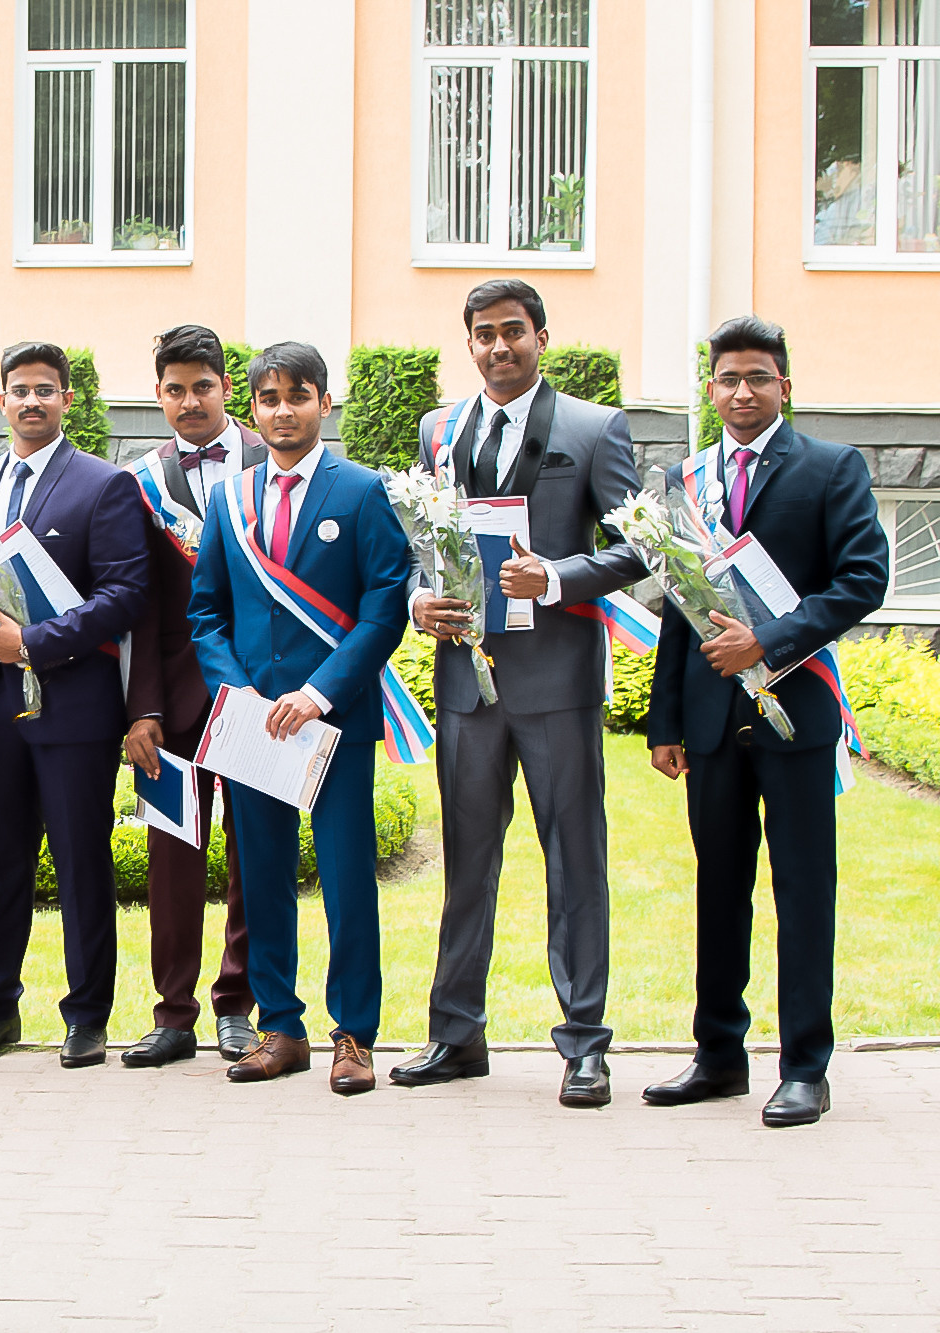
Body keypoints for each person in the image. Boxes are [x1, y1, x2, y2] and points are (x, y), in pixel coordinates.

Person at [390, 279, 646, 1108]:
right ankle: (456, 1033)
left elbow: (638, 547)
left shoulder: (592, 428)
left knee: (575, 861)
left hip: (555, 683)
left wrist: (559, 577)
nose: (498, 348)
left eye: (513, 332)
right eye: (483, 335)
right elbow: (418, 546)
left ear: (541, 336)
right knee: (468, 863)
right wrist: (417, 600)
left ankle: (583, 1046)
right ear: (468, 343)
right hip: (466, 679)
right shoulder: (438, 429)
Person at [644, 316, 888, 1127]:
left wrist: (771, 639)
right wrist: (665, 721)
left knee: (803, 890)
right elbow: (680, 607)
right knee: (721, 888)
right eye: (726, 379)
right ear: (710, 389)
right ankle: (718, 1055)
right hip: (712, 722)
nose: (741, 392)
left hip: (796, 714)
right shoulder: (691, 477)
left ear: (785, 385)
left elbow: (863, 579)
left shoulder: (830, 468)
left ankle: (805, 1066)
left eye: (757, 377)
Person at [185, 341, 411, 1095]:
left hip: (333, 719)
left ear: (324, 402)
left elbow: (385, 608)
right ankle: (281, 1026)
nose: (285, 410)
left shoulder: (361, 491)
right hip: (254, 720)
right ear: (254, 409)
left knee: (348, 877)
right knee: (263, 877)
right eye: (271, 398)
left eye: (299, 396)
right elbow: (207, 611)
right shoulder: (231, 498)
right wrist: (237, 692)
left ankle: (354, 1034)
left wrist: (319, 693)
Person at [0, 342, 148, 1069]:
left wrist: (32, 642)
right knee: (1, 861)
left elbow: (124, 594)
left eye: (45, 390)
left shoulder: (104, 484)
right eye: (18, 389)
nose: (31, 401)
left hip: (74, 706)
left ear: (67, 399)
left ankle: (87, 1013)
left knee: (80, 860)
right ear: (0, 400)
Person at [121, 325, 260, 1067]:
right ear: (159, 396)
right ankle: (172, 1013)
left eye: (201, 386)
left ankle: (237, 1005)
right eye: (173, 389)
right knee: (173, 853)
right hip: (171, 700)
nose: (188, 401)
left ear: (226, 388)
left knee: (253, 854)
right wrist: (139, 707)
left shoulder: (273, 460)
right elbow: (137, 603)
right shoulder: (141, 478)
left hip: (257, 695)